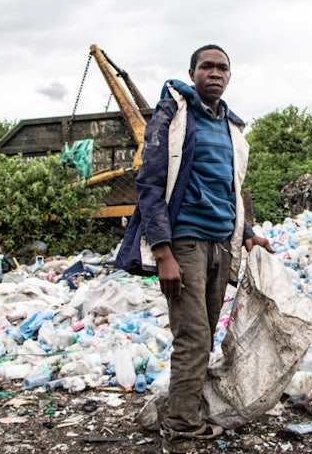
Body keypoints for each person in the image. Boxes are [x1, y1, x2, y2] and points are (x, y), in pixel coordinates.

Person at [114, 44, 273, 453]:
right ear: (192, 72)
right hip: (185, 243)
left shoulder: (231, 129)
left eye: (222, 68)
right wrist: (163, 253)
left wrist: (248, 231)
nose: (215, 73)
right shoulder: (175, 115)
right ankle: (182, 428)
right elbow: (149, 184)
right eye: (207, 66)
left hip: (223, 243)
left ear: (230, 76)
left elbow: (229, 191)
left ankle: (184, 410)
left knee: (202, 335)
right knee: (193, 336)